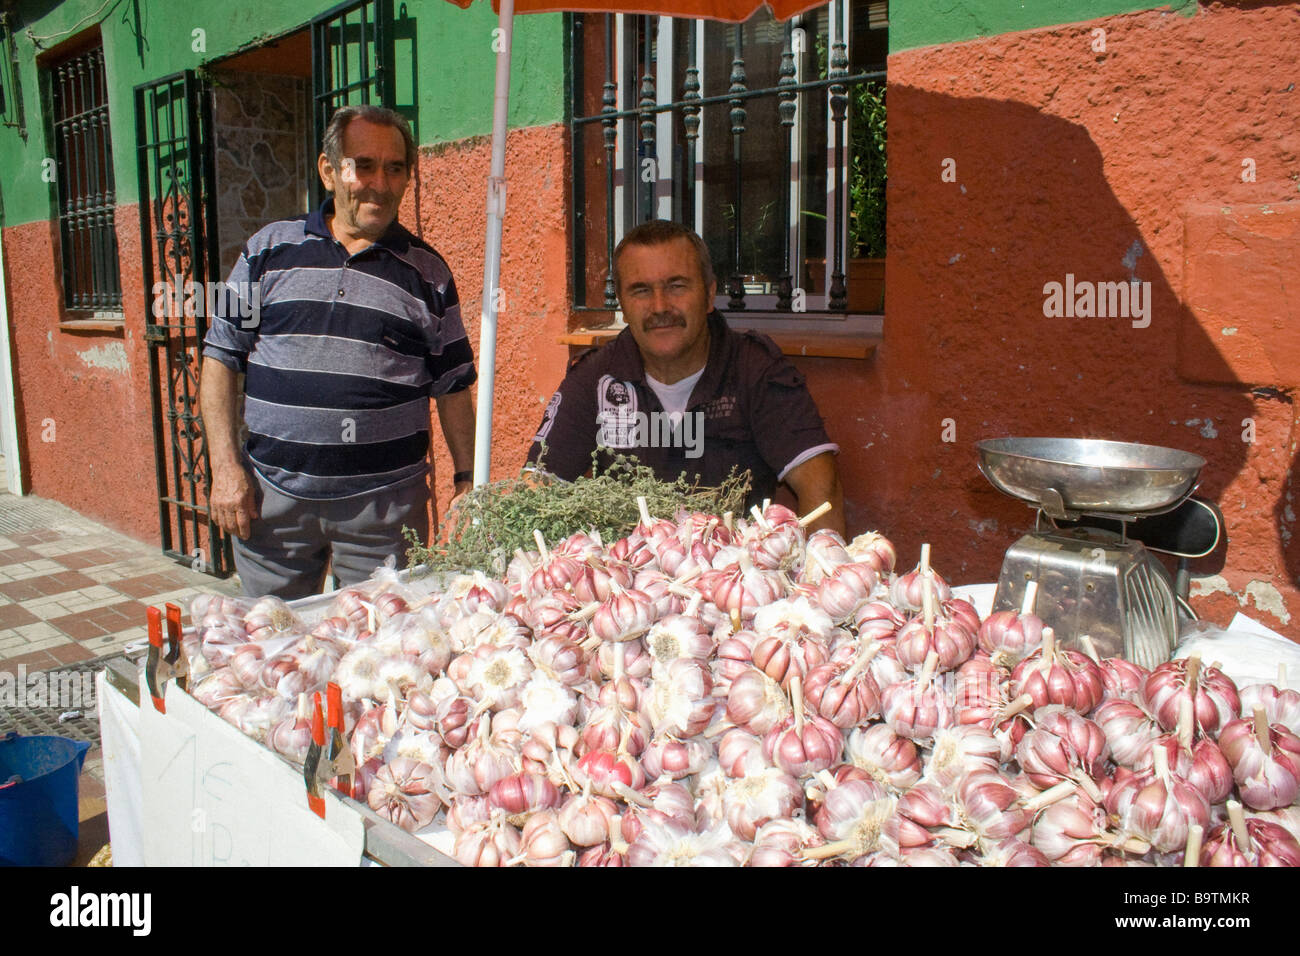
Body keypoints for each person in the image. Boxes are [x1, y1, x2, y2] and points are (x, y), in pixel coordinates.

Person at [199, 105, 476, 599]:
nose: (380, 183)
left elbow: (453, 385)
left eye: (395, 168)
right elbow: (220, 357)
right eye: (362, 165)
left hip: (384, 512)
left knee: (381, 654)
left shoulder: (429, 273)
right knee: (274, 645)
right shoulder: (264, 251)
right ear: (329, 171)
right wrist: (224, 467)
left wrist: (467, 480)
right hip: (272, 502)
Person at [527, 219, 844, 535]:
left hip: (734, 572)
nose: (660, 306)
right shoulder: (596, 378)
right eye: (641, 290)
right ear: (622, 304)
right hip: (628, 575)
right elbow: (535, 492)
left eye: (676, 286)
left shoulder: (754, 369)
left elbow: (821, 488)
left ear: (709, 295)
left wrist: (819, 572)